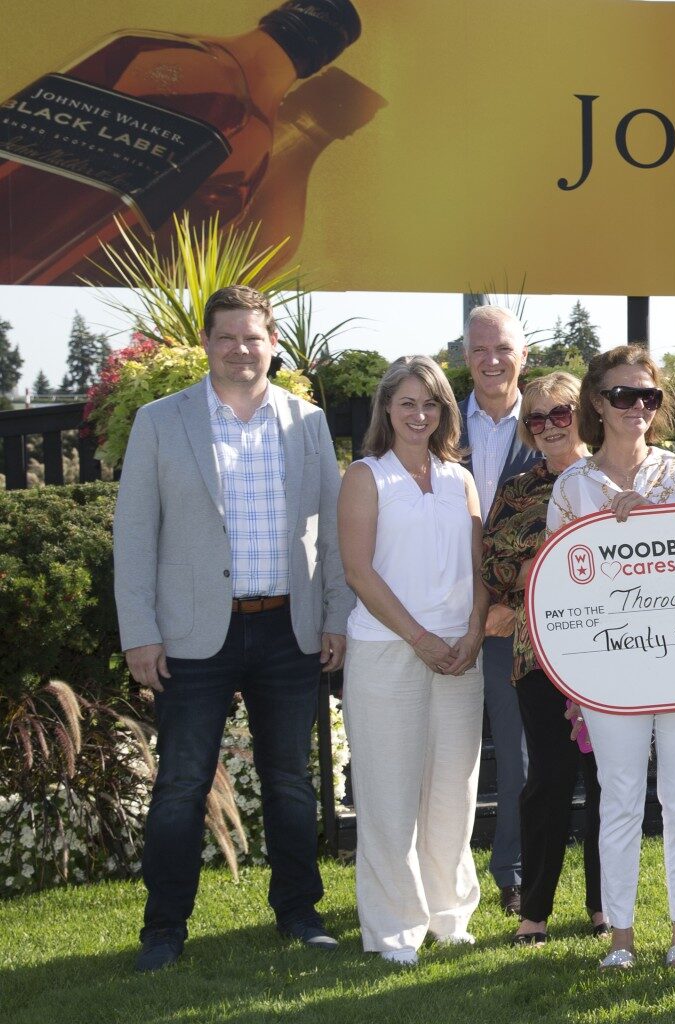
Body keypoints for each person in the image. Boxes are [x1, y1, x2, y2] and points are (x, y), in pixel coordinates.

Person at [113, 285, 353, 971]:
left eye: (253, 337)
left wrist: (333, 615)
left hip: (286, 629)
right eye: (227, 337)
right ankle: (164, 930)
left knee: (291, 780)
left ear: (272, 344)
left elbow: (332, 532)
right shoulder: (162, 422)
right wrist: (141, 632)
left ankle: (300, 913)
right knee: (181, 785)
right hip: (191, 636)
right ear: (207, 342)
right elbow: (133, 535)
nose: (241, 349)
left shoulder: (307, 423)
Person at [548, 346, 675, 970]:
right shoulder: (571, 485)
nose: (636, 407)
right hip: (607, 666)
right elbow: (556, 581)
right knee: (615, 798)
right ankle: (621, 934)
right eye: (622, 395)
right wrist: (572, 681)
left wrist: (655, 524)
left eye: (647, 396)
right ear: (597, 401)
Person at [337, 356, 489, 965]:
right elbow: (358, 569)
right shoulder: (365, 476)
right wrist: (419, 637)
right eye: (407, 404)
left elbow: (480, 568)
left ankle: (449, 915)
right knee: (389, 797)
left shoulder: (461, 478)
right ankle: (395, 930)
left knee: (453, 794)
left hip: (460, 655)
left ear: (444, 412)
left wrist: (475, 631)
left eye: (430, 404)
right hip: (387, 653)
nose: (419, 415)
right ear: (387, 411)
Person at [478, 371, 608, 947]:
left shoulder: (611, 480)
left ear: (583, 414)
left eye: (561, 413)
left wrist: (541, 565)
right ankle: (534, 911)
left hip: (611, 650)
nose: (550, 426)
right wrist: (538, 564)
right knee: (548, 778)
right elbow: (495, 566)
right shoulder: (516, 489)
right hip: (540, 655)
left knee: (608, 780)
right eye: (537, 418)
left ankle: (605, 906)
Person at [459, 304, 540, 914]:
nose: (492, 360)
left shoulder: (548, 423)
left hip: (514, 619)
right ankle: (437, 876)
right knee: (441, 754)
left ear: (524, 356)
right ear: (465, 355)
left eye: (503, 349)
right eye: (479, 348)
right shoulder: (434, 422)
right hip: (441, 613)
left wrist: (511, 602)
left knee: (515, 753)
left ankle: (510, 873)